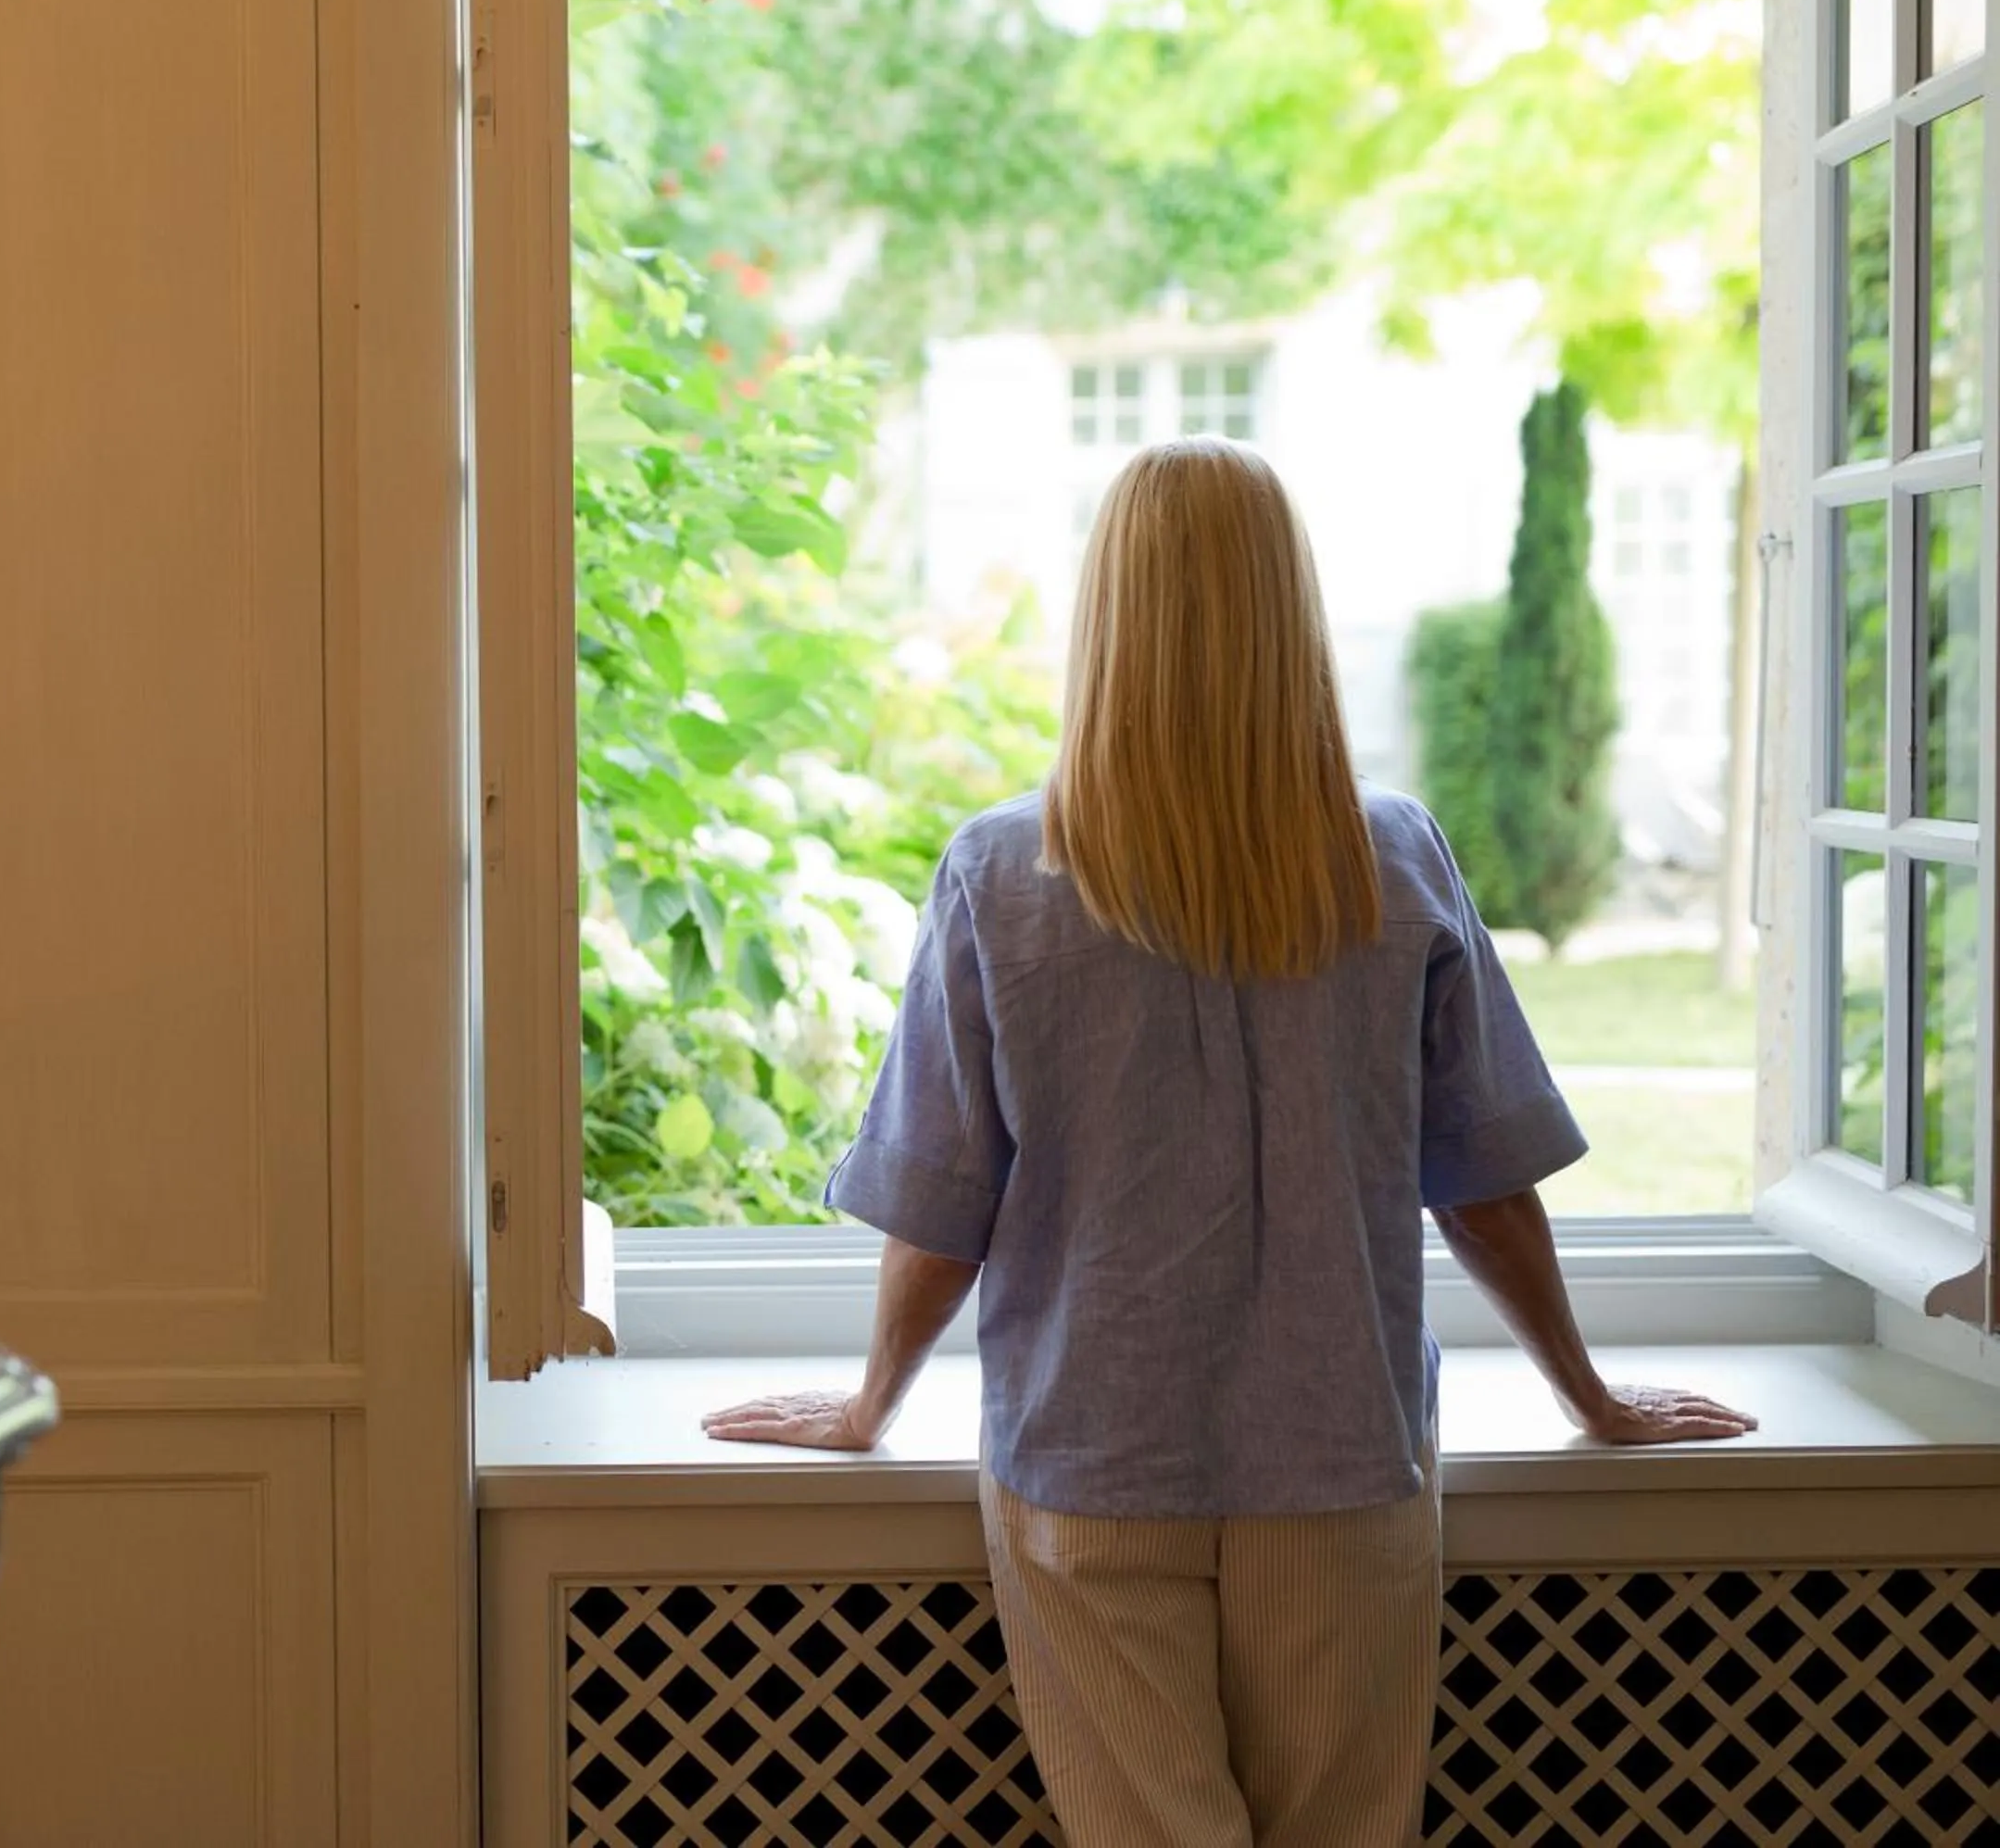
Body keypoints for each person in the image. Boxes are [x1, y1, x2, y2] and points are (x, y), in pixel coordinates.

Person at [701, 438, 1756, 1845]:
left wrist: (868, 1405)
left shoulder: (1001, 875)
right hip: (1342, 1468)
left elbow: (943, 1208)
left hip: (1092, 1466)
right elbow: (1485, 1186)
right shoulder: (1394, 860)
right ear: (1291, 614)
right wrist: (1589, 1393)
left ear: (1106, 620)